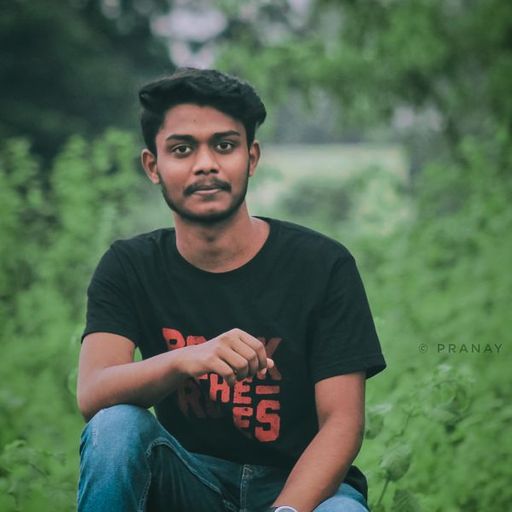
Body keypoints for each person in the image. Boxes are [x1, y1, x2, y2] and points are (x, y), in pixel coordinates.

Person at [77, 67, 386, 512]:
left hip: (301, 488)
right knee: (115, 426)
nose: (205, 163)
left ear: (251, 158)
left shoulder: (322, 265)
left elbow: (342, 422)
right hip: (188, 482)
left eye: (224, 145)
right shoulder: (129, 266)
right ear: (153, 166)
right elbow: (94, 392)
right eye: (182, 149)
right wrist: (185, 359)